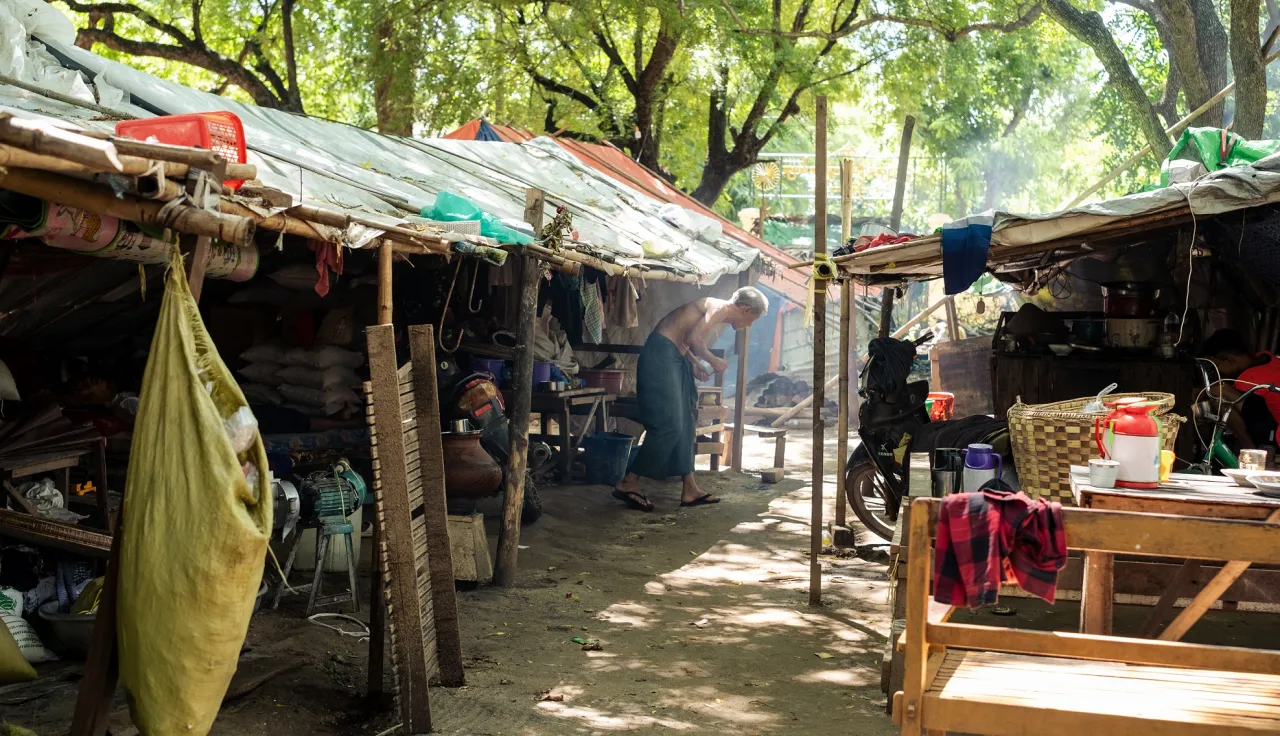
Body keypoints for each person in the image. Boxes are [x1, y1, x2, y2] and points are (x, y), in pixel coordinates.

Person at [612, 287, 769, 511]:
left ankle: (690, 488)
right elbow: (695, 338)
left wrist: (695, 362)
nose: (750, 325)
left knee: (686, 422)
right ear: (745, 310)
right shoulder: (719, 308)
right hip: (662, 354)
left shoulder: (718, 310)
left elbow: (684, 337)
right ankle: (630, 481)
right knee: (670, 424)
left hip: (677, 354)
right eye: (752, 319)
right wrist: (713, 361)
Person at [1199, 329, 1277, 449]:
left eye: (1217, 365)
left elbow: (1253, 413)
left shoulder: (1247, 379)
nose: (1218, 371)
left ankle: (1248, 446)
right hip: (1272, 425)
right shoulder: (1268, 357)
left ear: (1230, 360)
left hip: (1274, 435)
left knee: (1218, 391)